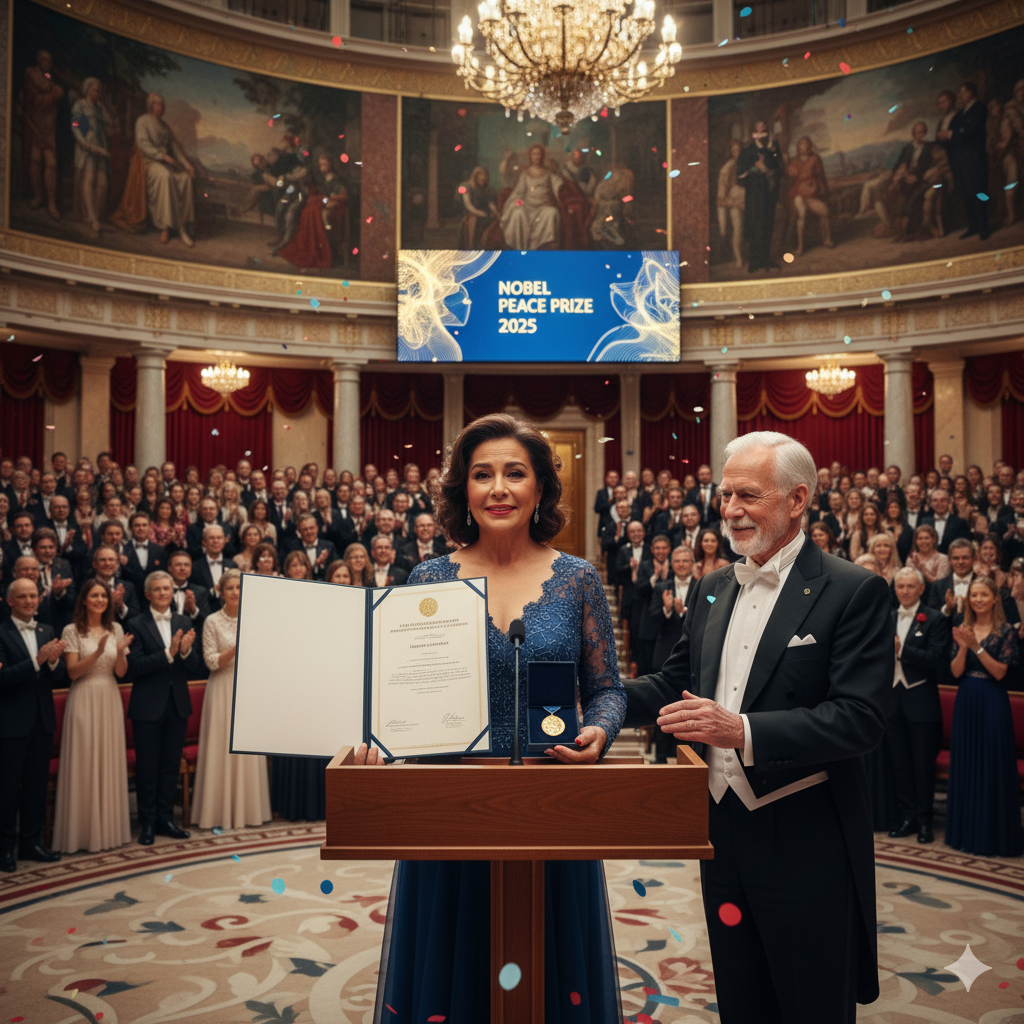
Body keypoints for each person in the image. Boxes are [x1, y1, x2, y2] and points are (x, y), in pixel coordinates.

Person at [357, 413, 626, 1022]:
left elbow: (608, 689)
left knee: (550, 969)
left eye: (514, 473)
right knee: (455, 968)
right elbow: (399, 693)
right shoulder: (428, 578)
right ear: (464, 490)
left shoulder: (579, 579)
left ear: (539, 490)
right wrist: (381, 739)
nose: (498, 488)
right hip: (451, 807)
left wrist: (600, 732)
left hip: (552, 804)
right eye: (482, 475)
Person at [623, 431, 893, 1024]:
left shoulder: (855, 591)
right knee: (741, 998)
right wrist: (597, 702)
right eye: (725, 496)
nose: (731, 511)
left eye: (749, 495)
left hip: (806, 836)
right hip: (719, 834)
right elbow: (674, 685)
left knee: (809, 1002)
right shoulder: (714, 587)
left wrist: (742, 730)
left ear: (798, 499)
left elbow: (860, 720)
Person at [54, 579, 134, 853]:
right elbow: (73, 672)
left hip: (109, 697)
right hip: (84, 696)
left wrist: (120, 652)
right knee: (85, 762)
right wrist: (99, 652)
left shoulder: (116, 628)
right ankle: (81, 834)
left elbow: (121, 672)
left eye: (103, 595)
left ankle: (109, 831)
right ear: (84, 600)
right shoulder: (72, 630)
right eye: (94, 595)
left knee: (108, 761)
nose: (100, 599)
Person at [947, 577, 1021, 856]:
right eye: (974, 594)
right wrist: (964, 646)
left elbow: (1000, 672)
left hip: (992, 700)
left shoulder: (1005, 631)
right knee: (967, 763)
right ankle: (965, 833)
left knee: (991, 764)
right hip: (966, 698)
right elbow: (955, 672)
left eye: (983, 594)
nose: (977, 599)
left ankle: (992, 836)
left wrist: (976, 645)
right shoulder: (963, 628)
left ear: (994, 599)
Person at [191, 570, 271, 830]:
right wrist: (238, 647)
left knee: (247, 749)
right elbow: (211, 661)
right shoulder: (211, 621)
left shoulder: (255, 618)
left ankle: (249, 812)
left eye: (239, 587)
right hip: (223, 688)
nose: (235, 592)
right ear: (221, 592)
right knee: (221, 747)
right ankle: (218, 813)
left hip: (249, 689)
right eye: (230, 588)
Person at [126, 571, 200, 845]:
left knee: (170, 767)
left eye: (167, 589)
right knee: (148, 768)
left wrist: (185, 652)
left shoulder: (184, 620)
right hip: (147, 707)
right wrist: (168, 653)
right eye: (157, 589)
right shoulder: (134, 623)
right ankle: (147, 823)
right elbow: (135, 667)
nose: (163, 593)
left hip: (177, 705)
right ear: (147, 594)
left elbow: (194, 666)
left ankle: (166, 819)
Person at [0, 578, 67, 871]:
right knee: (6, 789)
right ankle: (4, 848)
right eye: (23, 596)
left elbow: (58, 674)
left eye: (33, 596)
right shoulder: (1, 633)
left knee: (36, 786)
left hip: (42, 720)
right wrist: (38, 661)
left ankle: (31, 843)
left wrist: (53, 662)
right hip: (11, 723)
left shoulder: (47, 630)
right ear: (10, 601)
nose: (29, 601)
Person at [886, 567, 947, 845]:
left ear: (921, 589)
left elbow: (935, 659)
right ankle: (907, 817)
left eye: (911, 586)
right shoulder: (886, 617)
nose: (905, 591)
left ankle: (924, 822)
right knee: (900, 764)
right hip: (892, 701)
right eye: (901, 587)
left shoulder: (934, 619)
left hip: (922, 703)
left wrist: (902, 651)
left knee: (923, 766)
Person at [131, 93, 196, 246]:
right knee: (165, 177)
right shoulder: (143, 121)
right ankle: (165, 227)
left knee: (185, 178)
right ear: (151, 106)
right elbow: (143, 145)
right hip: (149, 163)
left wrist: (187, 165)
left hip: (166, 163)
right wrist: (164, 157)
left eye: (162, 104)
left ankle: (182, 227)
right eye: (158, 104)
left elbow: (175, 148)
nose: (161, 107)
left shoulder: (165, 126)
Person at [938, 81, 989, 241]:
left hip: (974, 158)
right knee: (965, 192)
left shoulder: (979, 108)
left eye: (963, 92)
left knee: (979, 192)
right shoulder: (962, 113)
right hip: (960, 160)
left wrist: (951, 134)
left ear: (970, 93)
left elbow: (971, 131)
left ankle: (984, 227)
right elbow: (956, 131)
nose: (961, 95)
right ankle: (973, 226)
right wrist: (946, 136)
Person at [21, 50, 64, 221]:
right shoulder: (31, 73)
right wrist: (54, 94)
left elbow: (52, 92)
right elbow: (36, 97)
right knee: (35, 159)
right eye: (44, 59)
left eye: (49, 60)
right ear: (39, 60)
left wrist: (54, 92)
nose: (47, 62)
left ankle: (51, 202)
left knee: (51, 163)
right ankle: (38, 196)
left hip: (49, 125)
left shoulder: (49, 76)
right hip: (34, 120)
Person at [736, 121, 783, 272]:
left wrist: (768, 170)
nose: (762, 130)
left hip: (769, 193)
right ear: (754, 132)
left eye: (764, 128)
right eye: (759, 128)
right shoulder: (748, 151)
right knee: (755, 224)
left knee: (767, 224)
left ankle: (766, 259)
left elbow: (780, 169)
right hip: (754, 194)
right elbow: (740, 175)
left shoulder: (772, 150)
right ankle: (754, 261)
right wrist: (755, 168)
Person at [499, 143, 564, 250]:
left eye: (539, 154)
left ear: (542, 156)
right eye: (534, 154)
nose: (537, 156)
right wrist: (519, 203)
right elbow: (518, 193)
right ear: (530, 156)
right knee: (517, 213)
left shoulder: (549, 173)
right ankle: (520, 250)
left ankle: (545, 248)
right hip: (527, 207)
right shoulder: (525, 174)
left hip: (544, 208)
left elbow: (560, 188)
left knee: (552, 213)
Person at [70, 77, 111, 234]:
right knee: (89, 179)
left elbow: (110, 122)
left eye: (99, 91)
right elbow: (75, 125)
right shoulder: (80, 105)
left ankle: (96, 215)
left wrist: (105, 107)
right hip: (87, 148)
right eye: (94, 90)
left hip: (100, 148)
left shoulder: (99, 108)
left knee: (102, 183)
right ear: (87, 90)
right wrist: (83, 142)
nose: (97, 93)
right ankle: (92, 217)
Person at [785, 135, 832, 255]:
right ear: (798, 148)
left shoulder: (815, 159)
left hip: (811, 196)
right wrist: (787, 165)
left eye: (807, 145)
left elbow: (821, 177)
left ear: (810, 146)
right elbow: (789, 178)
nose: (805, 148)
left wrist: (825, 192)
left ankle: (826, 240)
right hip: (798, 194)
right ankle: (800, 247)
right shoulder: (794, 161)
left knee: (825, 211)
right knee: (802, 213)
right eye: (802, 145)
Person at [717, 139, 746, 268]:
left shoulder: (748, 164)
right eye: (734, 150)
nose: (737, 153)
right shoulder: (727, 167)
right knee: (738, 228)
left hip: (748, 200)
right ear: (731, 152)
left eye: (739, 150)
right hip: (734, 201)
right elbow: (722, 193)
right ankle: (738, 257)